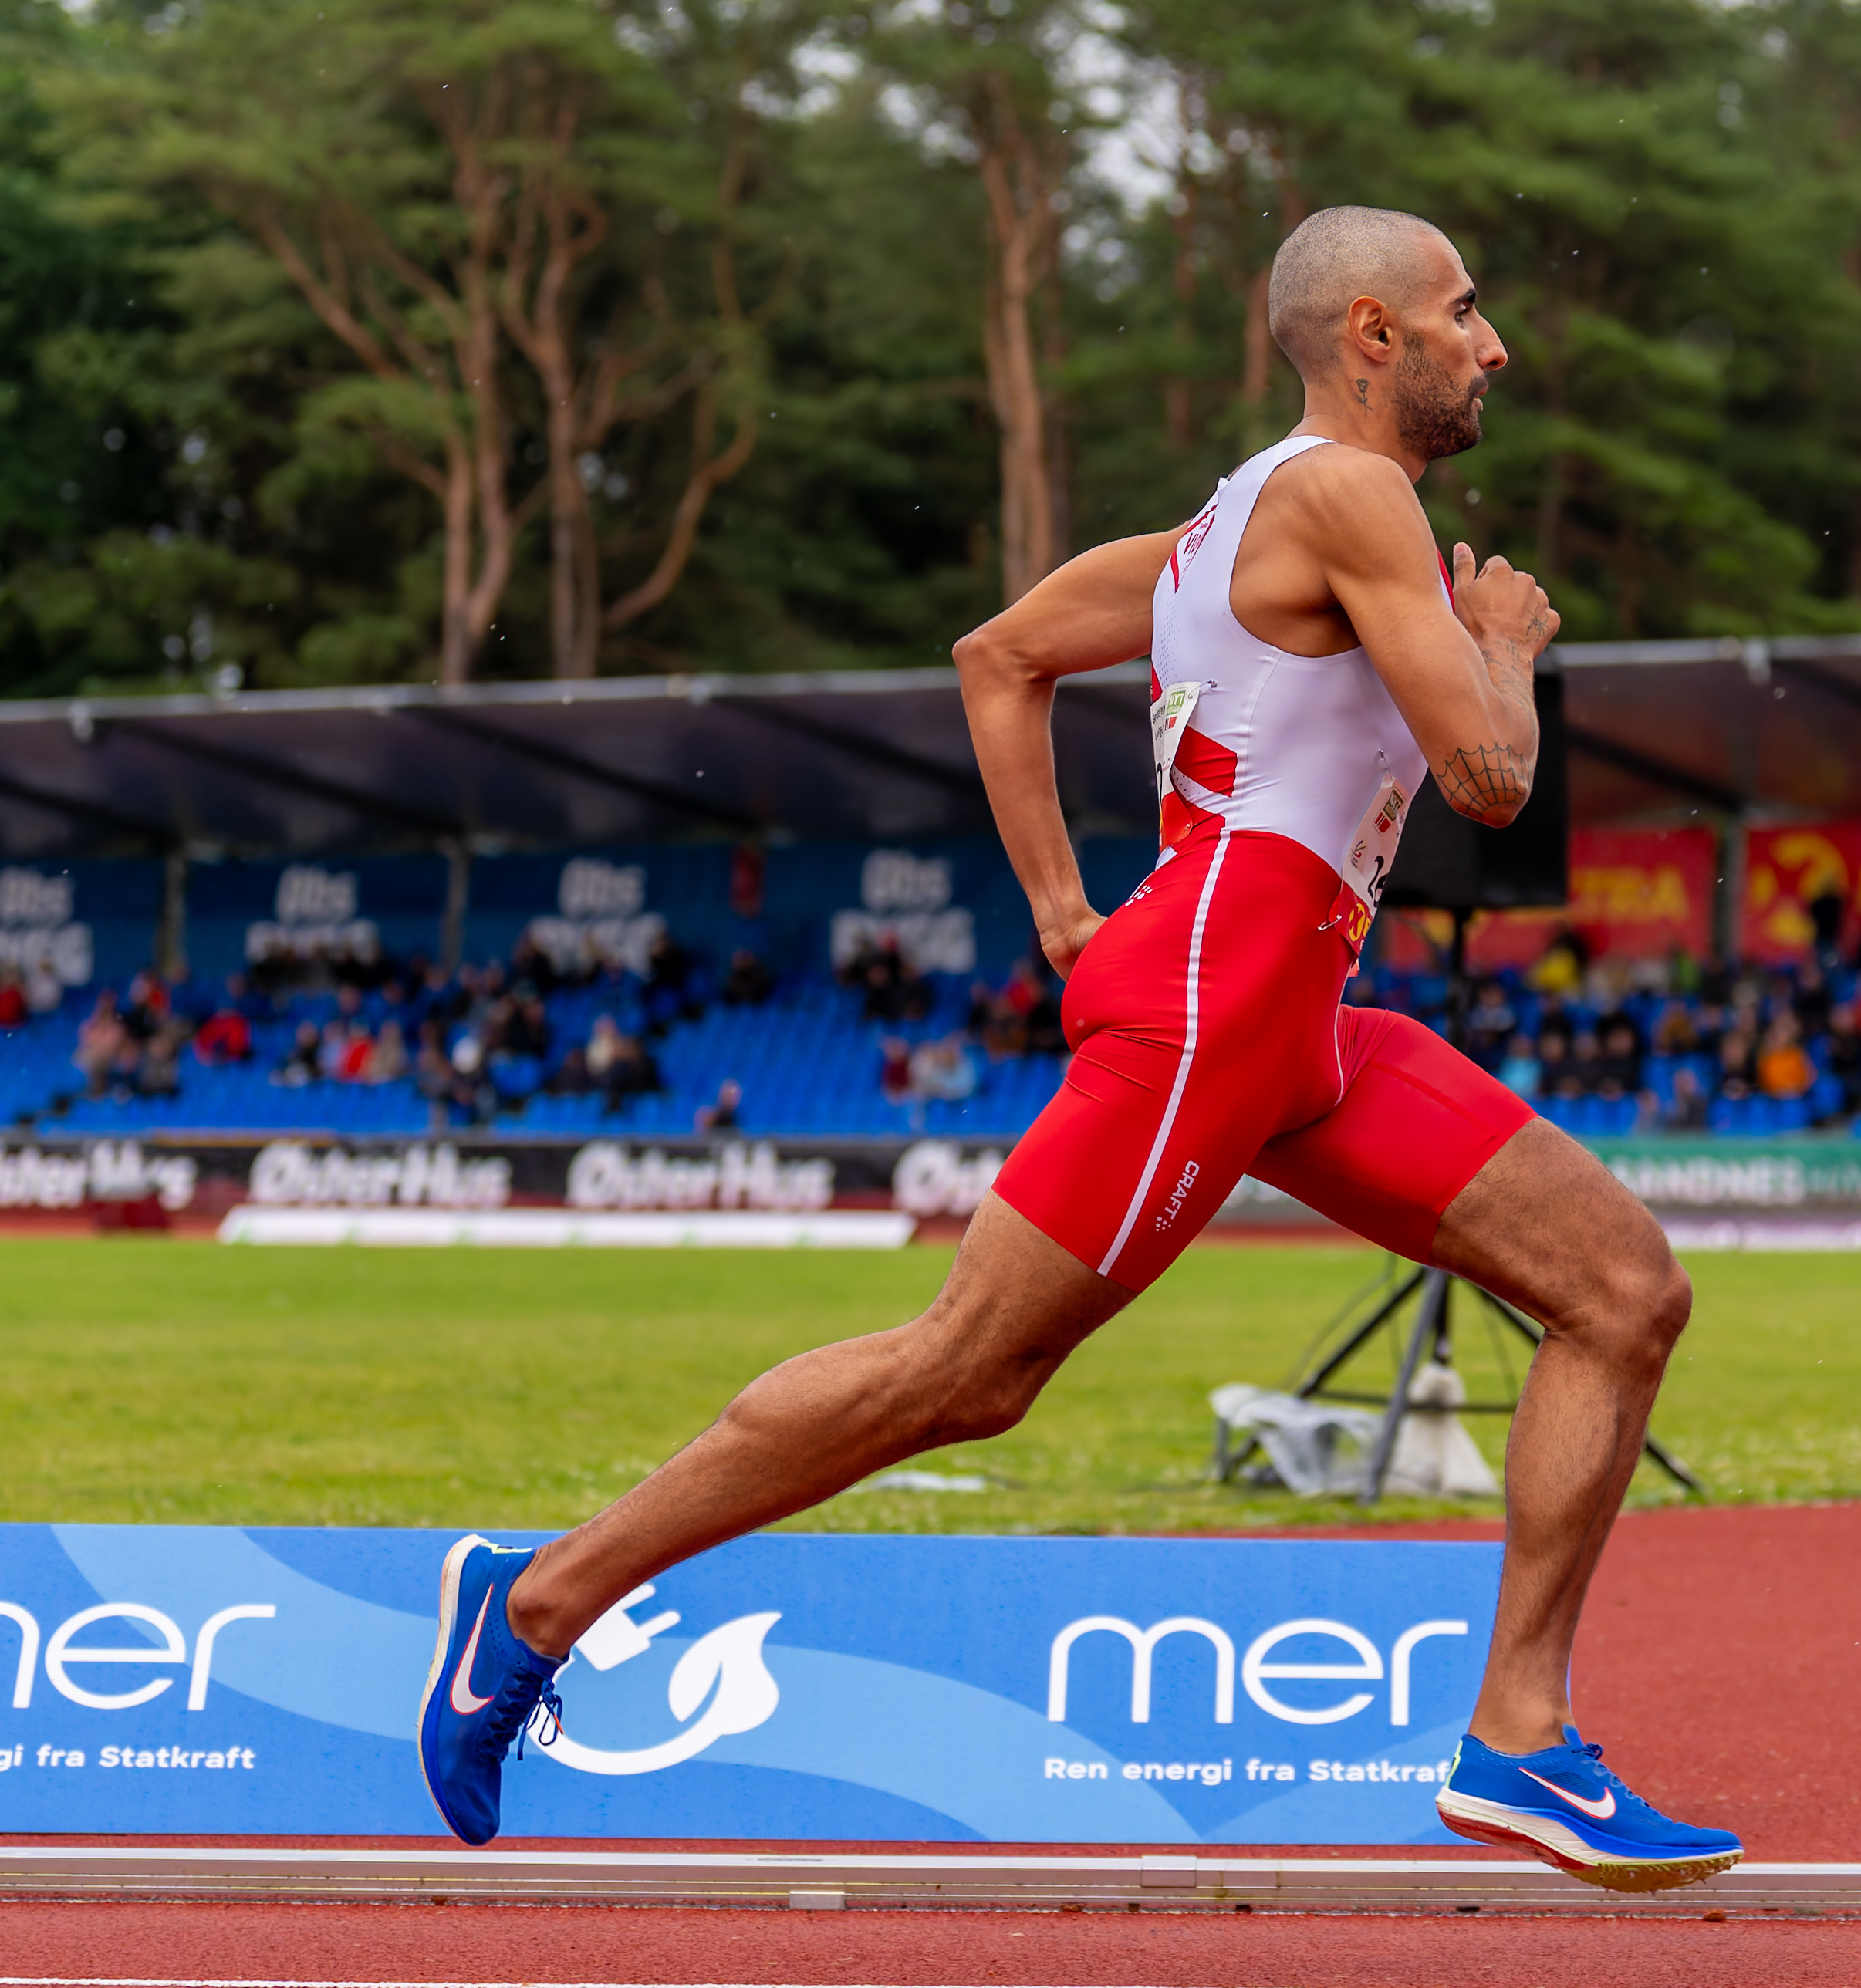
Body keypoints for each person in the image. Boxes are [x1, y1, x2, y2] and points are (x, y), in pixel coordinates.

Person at [416, 206, 1734, 1891]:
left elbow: (1000, 653)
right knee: (966, 1369)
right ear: (1368, 335)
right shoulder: (1349, 495)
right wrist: (1506, 650)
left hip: (1294, 1014)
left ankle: (1521, 1739)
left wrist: (1064, 914)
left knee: (1621, 1290)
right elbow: (1486, 779)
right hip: (1214, 999)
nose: (1498, 344)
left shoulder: (1213, 527)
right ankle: (532, 1600)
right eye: (1466, 311)